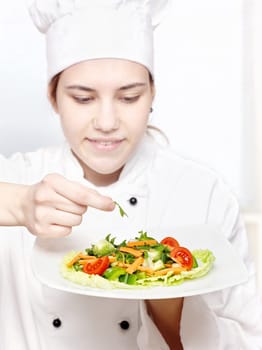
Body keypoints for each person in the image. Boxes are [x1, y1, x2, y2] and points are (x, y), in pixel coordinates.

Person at [0, 1, 262, 349]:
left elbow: (250, 338)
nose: (107, 122)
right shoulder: (18, 176)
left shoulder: (203, 193)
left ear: (152, 93)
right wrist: (17, 205)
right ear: (53, 97)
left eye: (129, 97)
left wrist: (171, 311)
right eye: (83, 98)